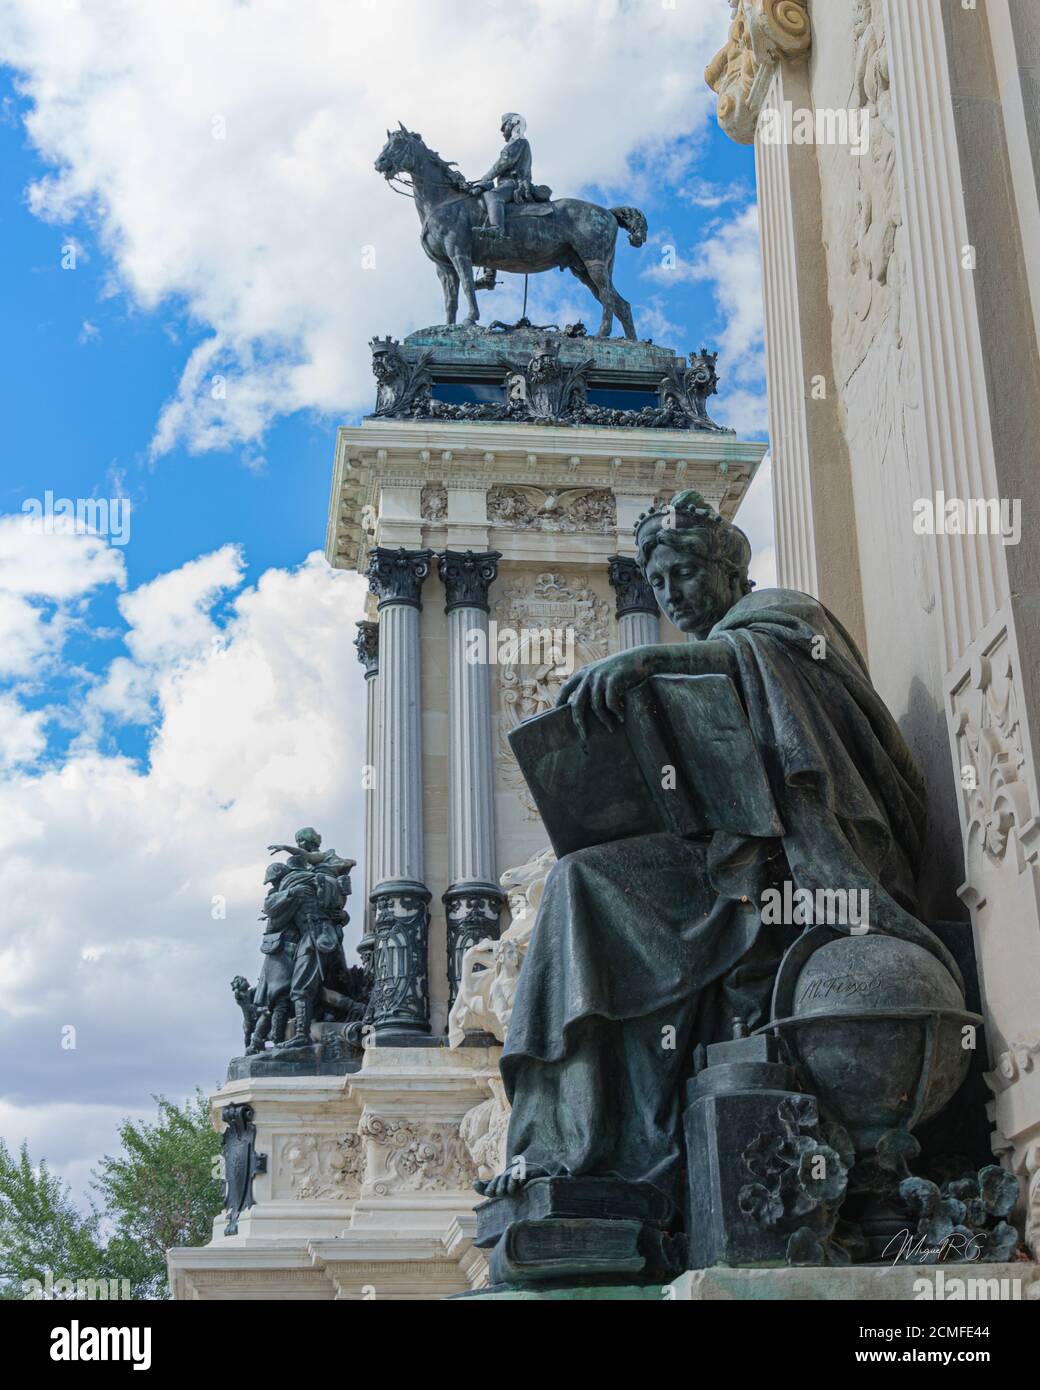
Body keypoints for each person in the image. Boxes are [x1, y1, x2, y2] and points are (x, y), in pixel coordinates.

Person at [481, 490, 961, 1220]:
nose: (673, 594)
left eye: (683, 573)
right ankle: (572, 1146)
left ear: (730, 569)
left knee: (590, 892)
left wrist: (650, 662)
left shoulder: (785, 619)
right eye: (660, 582)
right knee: (579, 878)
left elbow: (781, 686)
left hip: (805, 863)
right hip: (729, 860)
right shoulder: (720, 646)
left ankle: (606, 1149)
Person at [467, 112, 548, 237]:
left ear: (512, 125)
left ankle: (497, 228)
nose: (502, 131)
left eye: (504, 127)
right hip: (510, 183)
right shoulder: (518, 141)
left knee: (492, 195)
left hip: (514, 184)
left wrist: (485, 179)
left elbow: (504, 161)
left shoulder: (518, 140)